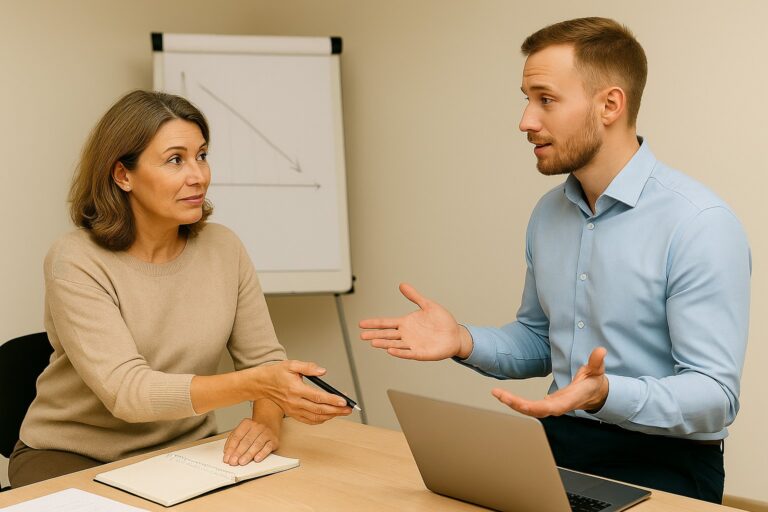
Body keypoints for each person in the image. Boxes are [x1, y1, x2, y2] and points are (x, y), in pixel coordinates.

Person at [360, 17, 750, 504]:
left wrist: (606, 394)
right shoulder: (549, 214)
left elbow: (716, 397)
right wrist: (461, 340)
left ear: (610, 104)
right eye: (527, 99)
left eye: (545, 99)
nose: (526, 120)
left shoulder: (699, 223)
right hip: (559, 444)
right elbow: (543, 340)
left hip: (665, 466)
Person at [9, 90, 352, 488]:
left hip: (188, 451)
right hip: (72, 457)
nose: (199, 175)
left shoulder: (224, 248)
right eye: (175, 160)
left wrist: (267, 423)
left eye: (201, 155)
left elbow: (264, 361)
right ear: (123, 175)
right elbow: (128, 394)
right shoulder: (76, 259)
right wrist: (258, 383)